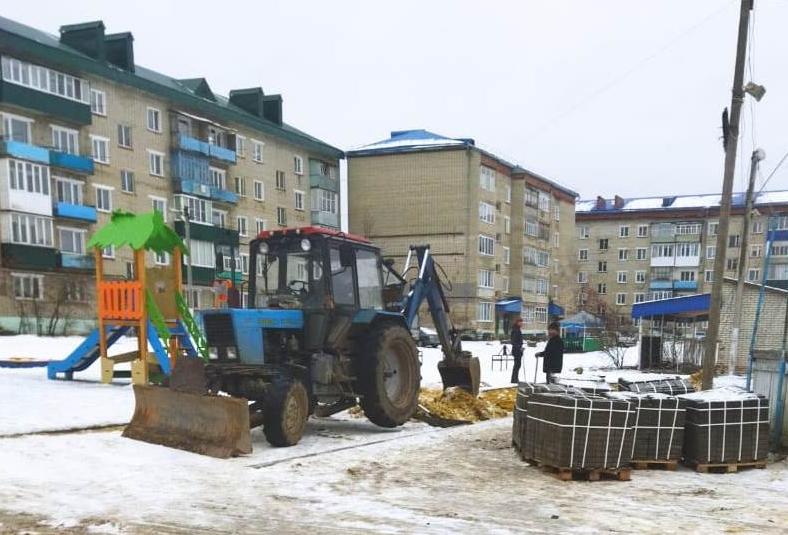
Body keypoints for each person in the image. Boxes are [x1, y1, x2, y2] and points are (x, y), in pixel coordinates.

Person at [509, 318, 524, 384]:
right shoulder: (516, 330)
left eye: (521, 322)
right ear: (517, 322)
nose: (521, 323)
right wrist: (519, 348)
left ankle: (515, 378)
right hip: (516, 350)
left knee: (518, 365)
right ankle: (514, 379)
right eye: (520, 322)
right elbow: (513, 342)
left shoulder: (517, 329)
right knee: (517, 365)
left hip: (518, 350)